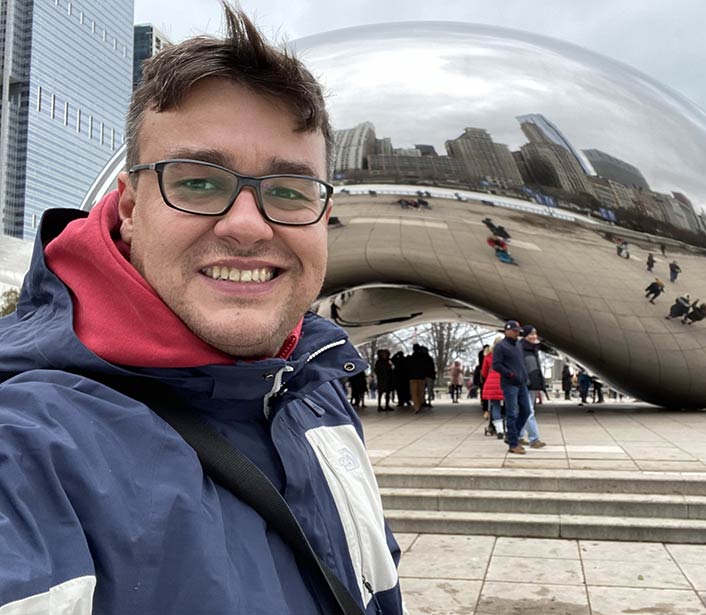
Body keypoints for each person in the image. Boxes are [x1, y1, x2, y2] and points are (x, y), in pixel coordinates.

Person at [0, 6, 402, 614]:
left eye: (290, 191)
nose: (247, 225)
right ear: (130, 209)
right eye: (196, 182)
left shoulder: (316, 391)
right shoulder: (24, 451)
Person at [492, 321, 533, 454]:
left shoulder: (518, 345)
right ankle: (513, 444)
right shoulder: (501, 347)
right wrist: (509, 374)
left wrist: (525, 377)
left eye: (518, 331)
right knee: (512, 412)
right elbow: (496, 365)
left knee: (526, 410)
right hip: (510, 384)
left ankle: (511, 435)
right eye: (515, 331)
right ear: (507, 331)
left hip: (521, 383)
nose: (517, 333)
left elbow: (521, 363)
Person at [518, 325, 547, 448]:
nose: (534, 336)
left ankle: (518, 436)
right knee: (528, 411)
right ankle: (534, 439)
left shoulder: (533, 349)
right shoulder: (520, 348)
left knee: (525, 411)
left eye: (535, 334)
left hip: (532, 384)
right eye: (530, 334)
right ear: (525, 335)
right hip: (524, 384)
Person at [481, 336, 506, 439]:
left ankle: (499, 430)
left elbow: (484, 372)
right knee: (509, 406)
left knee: (495, 406)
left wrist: (490, 377)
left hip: (492, 382)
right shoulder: (507, 355)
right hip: (505, 382)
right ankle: (507, 429)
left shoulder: (489, 356)